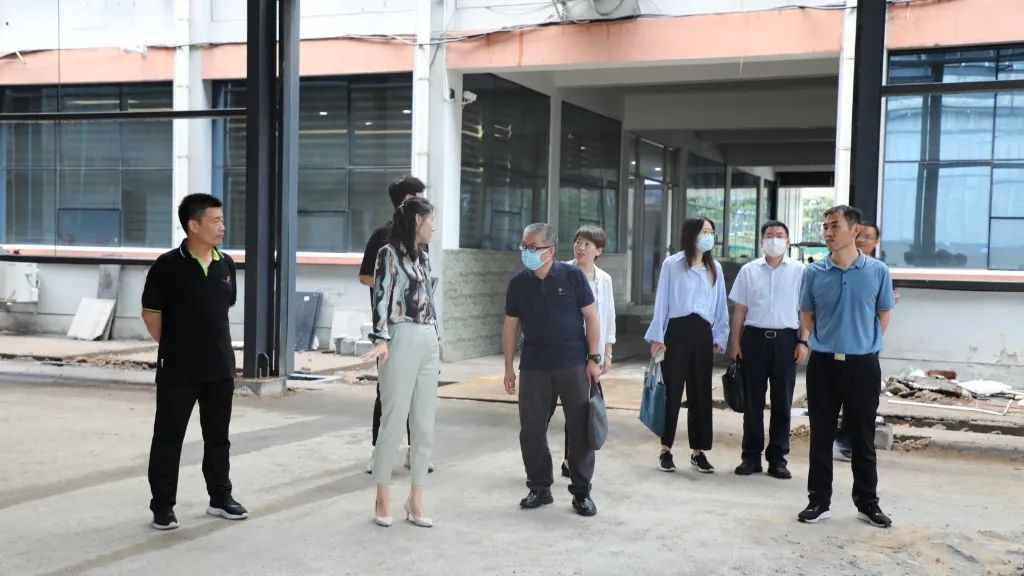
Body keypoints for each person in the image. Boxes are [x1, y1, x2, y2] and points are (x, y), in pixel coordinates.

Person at [141, 193, 247, 530]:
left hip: (220, 368)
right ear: (193, 225)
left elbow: (220, 310)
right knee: (168, 438)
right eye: (215, 221)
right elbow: (151, 315)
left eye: (222, 220)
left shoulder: (226, 264)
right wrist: (178, 345)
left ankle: (220, 498)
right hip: (179, 369)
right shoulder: (167, 266)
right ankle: (162, 506)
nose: (222, 227)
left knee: (218, 437)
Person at [797, 205, 895, 529]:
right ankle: (818, 501)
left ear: (854, 230)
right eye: (825, 226)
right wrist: (824, 338)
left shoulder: (877, 271)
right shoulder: (814, 272)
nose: (827, 232)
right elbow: (806, 314)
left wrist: (864, 343)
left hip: (862, 365)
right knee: (820, 436)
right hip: (823, 365)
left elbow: (883, 313)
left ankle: (867, 503)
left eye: (834, 226)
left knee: (863, 436)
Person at [503, 223, 604, 517]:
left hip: (573, 365)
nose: (527, 252)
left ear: (550, 251)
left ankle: (581, 492)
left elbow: (592, 318)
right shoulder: (518, 283)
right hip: (534, 366)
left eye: (533, 247)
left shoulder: (572, 277)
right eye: (524, 246)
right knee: (531, 430)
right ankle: (539, 487)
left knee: (580, 429)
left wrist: (594, 359)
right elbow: (511, 326)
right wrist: (508, 367)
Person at [361, 196, 440, 528]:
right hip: (400, 336)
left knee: (424, 425)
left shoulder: (424, 257)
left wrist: (436, 337)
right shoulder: (388, 254)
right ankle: (382, 496)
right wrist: (381, 338)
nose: (434, 226)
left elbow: (427, 301)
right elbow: (381, 296)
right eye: (431, 220)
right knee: (393, 421)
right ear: (418, 220)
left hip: (427, 338)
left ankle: (415, 499)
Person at [645, 217, 728, 474]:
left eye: (711, 232)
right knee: (671, 391)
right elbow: (662, 302)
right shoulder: (672, 264)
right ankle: (665, 449)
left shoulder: (715, 268)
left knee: (700, 392)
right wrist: (657, 336)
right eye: (704, 231)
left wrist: (719, 335)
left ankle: (698, 452)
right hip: (676, 332)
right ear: (691, 234)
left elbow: (720, 304)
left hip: (703, 333)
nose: (708, 236)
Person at [358, 176, 428, 474]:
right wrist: (394, 284)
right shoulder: (382, 237)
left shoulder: (421, 241)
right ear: (407, 200)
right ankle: (380, 450)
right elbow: (365, 276)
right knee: (388, 392)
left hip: (419, 327)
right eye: (418, 197)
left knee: (418, 392)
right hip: (391, 328)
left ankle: (415, 450)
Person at [728, 220, 808, 480]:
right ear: (762, 241)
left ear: (788, 241)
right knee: (753, 402)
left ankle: (778, 459)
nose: (774, 239)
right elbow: (740, 311)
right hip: (754, 340)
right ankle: (750, 457)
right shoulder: (749, 271)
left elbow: (805, 310)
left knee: (782, 403)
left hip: (786, 341)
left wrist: (803, 341)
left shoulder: (800, 271)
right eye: (769, 235)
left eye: (780, 235)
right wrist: (735, 343)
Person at [551, 225, 616, 478]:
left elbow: (608, 316)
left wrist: (606, 352)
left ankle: (572, 459)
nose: (580, 247)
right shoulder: (560, 272)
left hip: (591, 354)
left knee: (581, 409)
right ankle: (554, 458)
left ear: (599, 251)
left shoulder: (604, 280)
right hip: (565, 350)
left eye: (587, 244)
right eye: (578, 242)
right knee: (556, 407)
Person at [834, 222, 897, 462]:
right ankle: (841, 441)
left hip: (865, 346)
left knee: (861, 399)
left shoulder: (878, 270)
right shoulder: (835, 266)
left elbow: (884, 309)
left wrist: (871, 341)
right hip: (836, 345)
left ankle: (854, 443)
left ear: (876, 242)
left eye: (868, 237)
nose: (862, 240)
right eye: (860, 236)